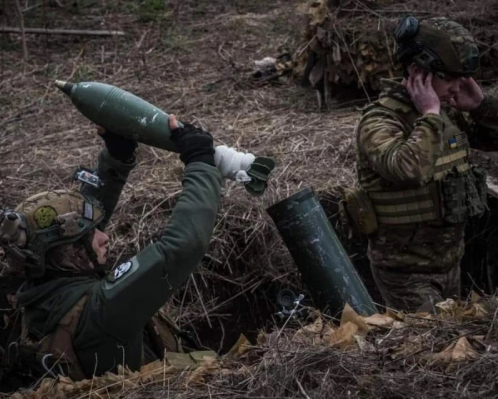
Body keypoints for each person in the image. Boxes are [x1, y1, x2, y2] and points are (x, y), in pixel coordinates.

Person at [0, 115, 222, 383]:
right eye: (91, 235)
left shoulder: (33, 286)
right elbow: (183, 246)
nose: (105, 237)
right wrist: (200, 162)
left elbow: (71, 233)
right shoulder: (102, 310)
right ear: (62, 255)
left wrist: (116, 159)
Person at [355, 16, 498, 312]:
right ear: (418, 71)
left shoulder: (447, 113)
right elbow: (408, 170)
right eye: (449, 77)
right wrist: (430, 114)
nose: (458, 87)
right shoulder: (381, 120)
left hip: (450, 263)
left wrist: (482, 107)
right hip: (406, 275)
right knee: (428, 350)